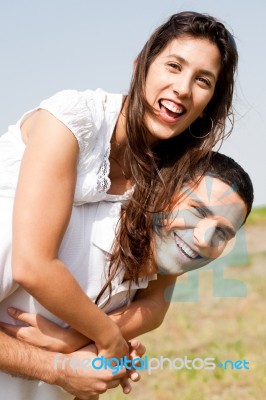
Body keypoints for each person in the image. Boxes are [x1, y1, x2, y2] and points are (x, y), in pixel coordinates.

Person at [0, 10, 238, 382]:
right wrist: (108, 340)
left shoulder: (174, 173)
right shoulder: (71, 121)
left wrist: (78, 339)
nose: (183, 88)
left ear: (210, 101)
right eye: (173, 66)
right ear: (141, 63)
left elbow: (157, 298)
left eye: (203, 81)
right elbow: (32, 264)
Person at [0, 152, 254, 399]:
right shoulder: (38, 229)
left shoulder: (141, 280)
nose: (204, 239)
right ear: (161, 190)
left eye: (222, 233)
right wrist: (56, 368)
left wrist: (96, 362)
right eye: (197, 210)